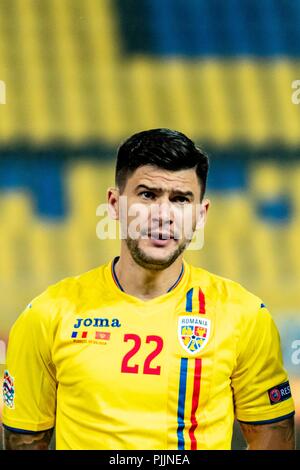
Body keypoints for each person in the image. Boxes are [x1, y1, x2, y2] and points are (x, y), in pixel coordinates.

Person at [2, 129, 295, 450]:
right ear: (114, 204)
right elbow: (24, 439)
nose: (163, 214)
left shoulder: (245, 315)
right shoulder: (47, 314)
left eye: (180, 199)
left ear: (200, 214)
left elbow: (273, 434)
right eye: (147, 195)